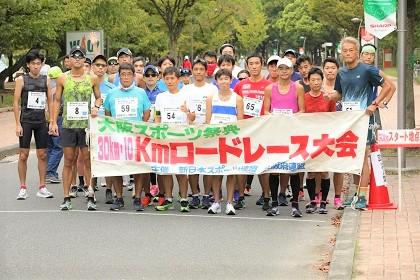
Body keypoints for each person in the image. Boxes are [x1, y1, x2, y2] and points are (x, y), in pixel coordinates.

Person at [326, 37, 392, 209]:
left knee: (363, 157)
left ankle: (362, 196)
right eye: (344, 51)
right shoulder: (341, 72)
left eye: (351, 50)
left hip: (365, 119)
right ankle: (357, 194)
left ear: (357, 52)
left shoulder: (367, 69)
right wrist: (329, 95)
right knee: (354, 157)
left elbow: (388, 86)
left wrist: (374, 104)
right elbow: (339, 94)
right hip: (349, 120)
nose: (347, 53)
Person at [50, 46, 102, 211]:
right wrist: (52, 121)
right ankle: (66, 197)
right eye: (74, 56)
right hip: (68, 125)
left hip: (86, 126)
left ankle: (90, 194)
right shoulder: (63, 79)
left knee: (87, 160)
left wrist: (96, 106)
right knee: (69, 160)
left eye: (81, 56)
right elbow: (57, 100)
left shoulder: (92, 78)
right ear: (69, 60)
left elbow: (99, 97)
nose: (77, 59)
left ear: (85, 59)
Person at [103, 63, 151, 211]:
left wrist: (139, 127)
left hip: (135, 136)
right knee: (118, 168)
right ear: (119, 76)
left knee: (137, 168)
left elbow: (147, 112)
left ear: (133, 76)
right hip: (118, 136)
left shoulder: (140, 93)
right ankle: (119, 197)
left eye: (128, 74)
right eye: (122, 74)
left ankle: (137, 197)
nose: (125, 77)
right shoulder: (112, 93)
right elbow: (107, 113)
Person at [263, 57, 305, 217]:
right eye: (281, 68)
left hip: (293, 134)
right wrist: (274, 116)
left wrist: (291, 117)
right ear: (276, 70)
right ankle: (274, 204)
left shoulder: (298, 88)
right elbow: (265, 110)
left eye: (287, 68)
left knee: (293, 169)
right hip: (275, 134)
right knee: (274, 170)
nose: (284, 71)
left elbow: (302, 110)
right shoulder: (269, 89)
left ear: (292, 70)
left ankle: (295, 205)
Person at [13, 50, 54, 200]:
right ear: (28, 65)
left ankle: (42, 187)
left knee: (42, 155)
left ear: (42, 64)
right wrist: (18, 124)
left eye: (38, 63)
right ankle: (23, 187)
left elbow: (50, 102)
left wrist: (52, 121)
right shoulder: (21, 80)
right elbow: (16, 103)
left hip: (41, 121)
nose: (36, 66)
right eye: (33, 64)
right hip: (26, 121)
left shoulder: (46, 80)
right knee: (23, 155)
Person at [234, 53, 271, 211]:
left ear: (261, 65)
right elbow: (233, 105)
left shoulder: (269, 85)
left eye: (257, 63)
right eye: (251, 64)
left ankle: (266, 195)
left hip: (262, 129)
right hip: (244, 130)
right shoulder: (241, 86)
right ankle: (240, 196)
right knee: (242, 164)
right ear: (247, 66)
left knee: (263, 165)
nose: (254, 66)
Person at [154, 66, 193, 212]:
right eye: (167, 78)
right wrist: (158, 133)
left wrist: (187, 113)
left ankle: (184, 199)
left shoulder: (185, 96)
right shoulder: (160, 97)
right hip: (165, 138)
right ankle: (169, 198)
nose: (170, 81)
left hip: (182, 138)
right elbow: (157, 116)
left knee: (181, 171)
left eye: (172, 78)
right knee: (166, 170)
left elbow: (193, 117)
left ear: (178, 79)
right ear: (163, 79)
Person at [205, 68, 244, 215]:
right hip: (216, 141)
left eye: (226, 78)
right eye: (220, 79)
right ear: (216, 81)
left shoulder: (238, 99)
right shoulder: (211, 98)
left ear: (231, 80)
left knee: (231, 173)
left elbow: (241, 124)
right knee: (216, 172)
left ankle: (229, 203)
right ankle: (216, 201)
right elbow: (208, 122)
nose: (223, 81)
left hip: (231, 142)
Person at [183, 59, 218, 209]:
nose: (198, 72)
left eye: (201, 69)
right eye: (195, 69)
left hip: (208, 131)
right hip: (191, 131)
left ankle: (206, 195)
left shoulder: (212, 89)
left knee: (208, 165)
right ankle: (195, 194)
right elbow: (182, 109)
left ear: (205, 71)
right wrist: (189, 117)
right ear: (192, 71)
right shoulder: (186, 89)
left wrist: (209, 124)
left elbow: (216, 108)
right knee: (193, 165)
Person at [303, 67, 336, 214]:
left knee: (323, 172)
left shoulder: (328, 98)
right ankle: (312, 201)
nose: (316, 82)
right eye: (313, 80)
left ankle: (323, 202)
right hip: (308, 139)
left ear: (322, 81)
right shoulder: (304, 97)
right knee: (310, 172)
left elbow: (334, 117)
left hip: (324, 139)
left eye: (318, 79)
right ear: (308, 81)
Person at [88, 54, 116, 204]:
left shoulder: (112, 88)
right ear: (92, 67)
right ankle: (91, 190)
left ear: (106, 69)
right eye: (97, 65)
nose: (100, 68)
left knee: (108, 159)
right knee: (92, 160)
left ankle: (109, 190)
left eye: (102, 66)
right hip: (90, 127)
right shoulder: (86, 84)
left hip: (107, 128)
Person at [322, 57, 345, 210]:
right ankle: (320, 197)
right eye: (327, 67)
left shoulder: (343, 87)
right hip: (322, 133)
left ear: (338, 69)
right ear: (323, 70)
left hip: (341, 130)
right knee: (322, 167)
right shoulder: (317, 86)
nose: (330, 70)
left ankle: (337, 197)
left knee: (339, 166)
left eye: (333, 67)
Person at [142, 64, 163, 207]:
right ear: (143, 77)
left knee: (159, 162)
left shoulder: (162, 94)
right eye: (147, 75)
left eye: (153, 75)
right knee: (145, 163)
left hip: (158, 130)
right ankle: (147, 193)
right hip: (143, 129)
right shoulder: (139, 93)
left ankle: (161, 193)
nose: (150, 78)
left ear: (158, 77)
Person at [45, 66, 64, 184]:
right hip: (57, 119)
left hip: (46, 120)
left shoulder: (47, 89)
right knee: (58, 147)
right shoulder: (58, 90)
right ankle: (50, 172)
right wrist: (54, 121)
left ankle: (47, 172)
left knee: (50, 147)